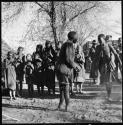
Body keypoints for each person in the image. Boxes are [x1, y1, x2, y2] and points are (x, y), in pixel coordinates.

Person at [56, 31, 81, 111]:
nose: (77, 39)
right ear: (74, 38)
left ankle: (60, 106)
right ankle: (67, 106)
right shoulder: (69, 44)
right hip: (64, 69)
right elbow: (68, 59)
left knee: (62, 88)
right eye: (77, 37)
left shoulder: (65, 44)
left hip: (60, 68)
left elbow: (68, 58)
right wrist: (76, 66)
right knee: (66, 88)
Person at [94, 34, 122, 101]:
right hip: (101, 66)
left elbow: (115, 54)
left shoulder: (108, 45)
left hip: (109, 65)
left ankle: (109, 95)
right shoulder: (97, 47)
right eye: (98, 39)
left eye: (100, 39)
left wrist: (120, 62)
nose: (99, 41)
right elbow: (96, 57)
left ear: (104, 39)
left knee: (109, 81)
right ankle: (107, 94)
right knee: (105, 81)